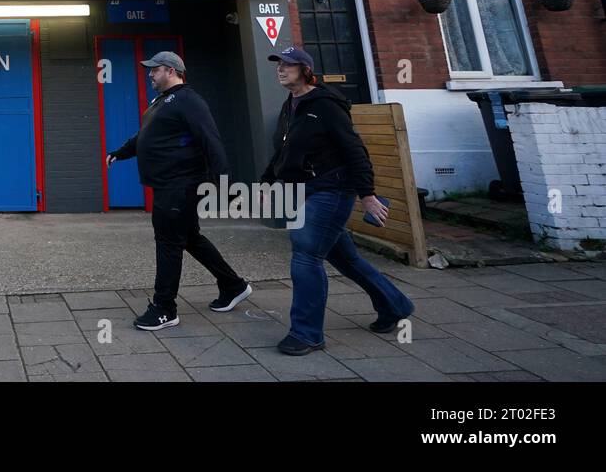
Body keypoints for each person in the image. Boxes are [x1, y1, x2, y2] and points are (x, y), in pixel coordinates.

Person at [263, 46, 415, 355]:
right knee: (346, 258)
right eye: (278, 64)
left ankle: (307, 334)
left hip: (332, 189)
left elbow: (353, 149)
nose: (281, 69)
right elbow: (284, 150)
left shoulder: (326, 104)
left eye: (288, 65)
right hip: (309, 188)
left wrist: (367, 194)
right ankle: (395, 305)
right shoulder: (291, 104)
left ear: (305, 70)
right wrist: (267, 182)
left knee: (305, 251)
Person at [107, 51, 252, 330]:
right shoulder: (162, 103)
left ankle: (164, 308)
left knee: (168, 243)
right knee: (189, 238)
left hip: (179, 185)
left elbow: (211, 140)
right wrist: (121, 152)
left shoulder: (188, 100)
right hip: (168, 184)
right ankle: (233, 285)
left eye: (154, 70)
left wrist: (224, 183)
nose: (150, 74)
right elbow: (146, 136)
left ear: (171, 71)